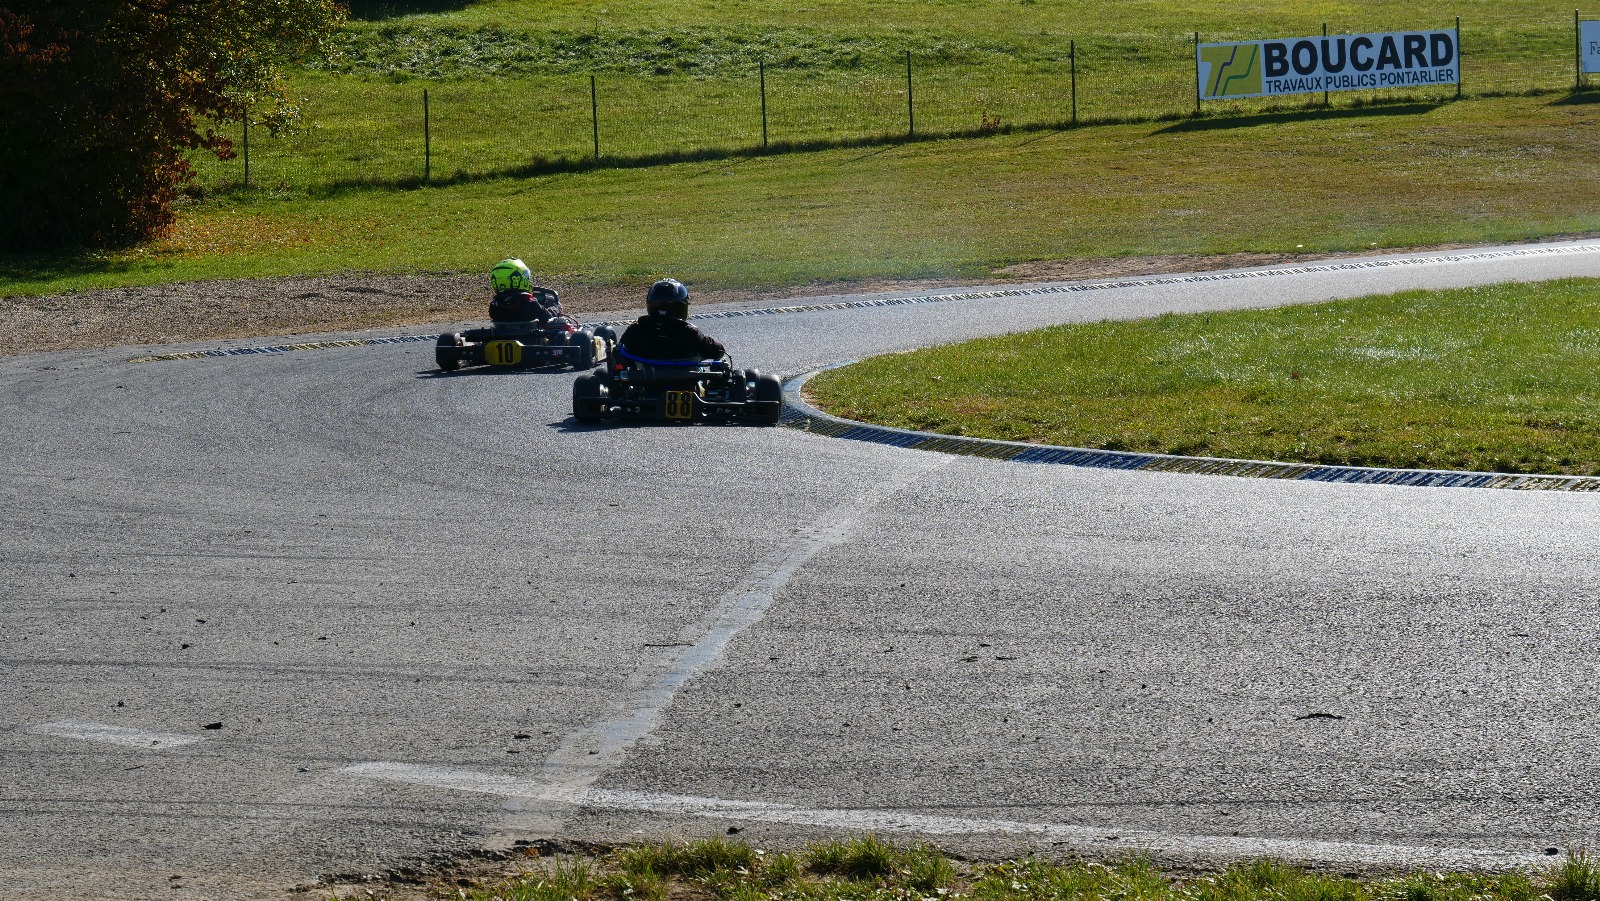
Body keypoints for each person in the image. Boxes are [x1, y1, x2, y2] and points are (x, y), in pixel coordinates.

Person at [619, 278, 725, 360]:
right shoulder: (689, 333)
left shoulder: (635, 331)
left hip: (644, 384)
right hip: (685, 384)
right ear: (681, 307)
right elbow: (719, 351)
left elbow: (619, 354)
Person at [487, 258, 564, 324]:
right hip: (531, 338)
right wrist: (555, 308)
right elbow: (547, 318)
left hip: (501, 336)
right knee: (563, 323)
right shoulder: (529, 302)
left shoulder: (494, 305)